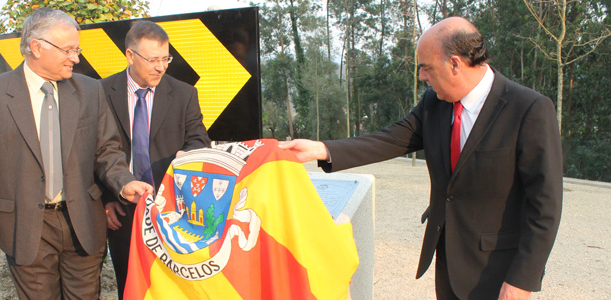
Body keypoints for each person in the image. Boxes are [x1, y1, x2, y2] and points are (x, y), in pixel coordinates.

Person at [280, 16, 562, 300]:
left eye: (426, 67)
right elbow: (390, 139)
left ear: (455, 63)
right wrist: (321, 149)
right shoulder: (434, 103)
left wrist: (521, 280)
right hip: (448, 261)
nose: (422, 77)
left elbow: (545, 206)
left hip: (497, 270)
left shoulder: (529, 109)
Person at [0, 8, 153, 300]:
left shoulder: (89, 91)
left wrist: (124, 182)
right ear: (36, 47)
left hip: (83, 221)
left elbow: (107, 150)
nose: (76, 57)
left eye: (77, 49)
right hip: (24, 224)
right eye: (69, 50)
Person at [99, 20, 211, 298]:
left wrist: (191, 154)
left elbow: (199, 139)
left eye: (166, 59)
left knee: (171, 288)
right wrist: (105, 200)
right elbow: (92, 151)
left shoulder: (184, 94)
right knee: (131, 285)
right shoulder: (100, 93)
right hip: (122, 212)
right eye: (152, 60)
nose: (160, 67)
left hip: (171, 212)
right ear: (130, 55)